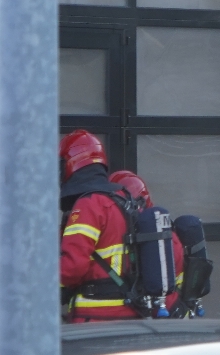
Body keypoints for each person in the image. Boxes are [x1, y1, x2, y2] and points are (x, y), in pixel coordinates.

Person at [57, 131, 162, 322]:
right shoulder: (121, 199)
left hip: (96, 319)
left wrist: (33, 278)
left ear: (71, 163)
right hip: (129, 314)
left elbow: (72, 268)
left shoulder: (89, 204)